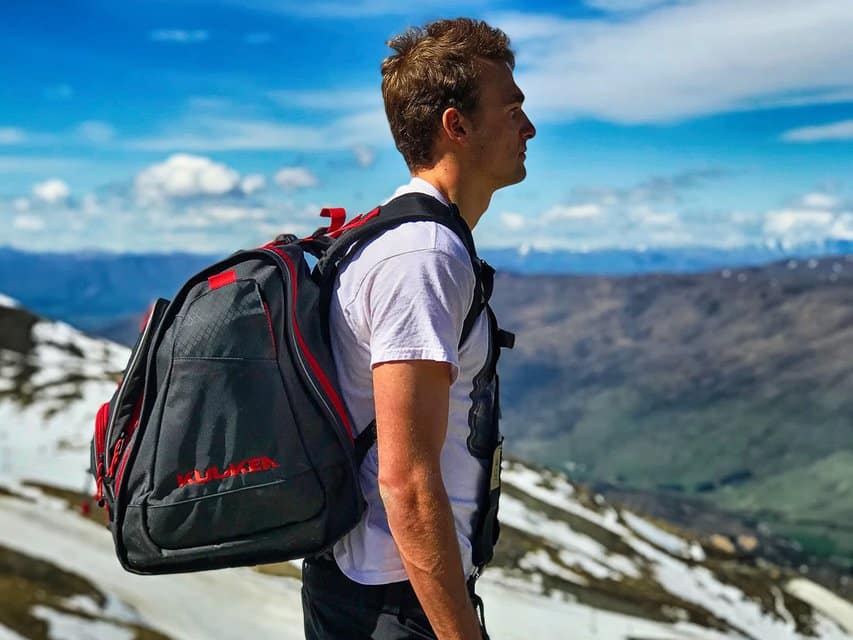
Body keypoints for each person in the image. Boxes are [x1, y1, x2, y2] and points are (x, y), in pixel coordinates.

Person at [301, 17, 535, 640]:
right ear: (456, 126)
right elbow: (405, 478)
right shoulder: (423, 257)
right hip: (392, 601)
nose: (528, 128)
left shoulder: (405, 239)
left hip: (383, 591)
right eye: (512, 110)